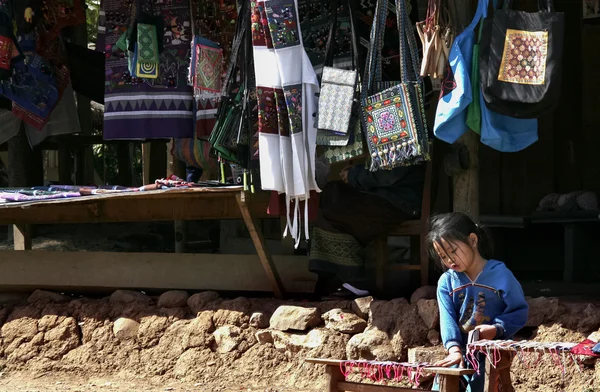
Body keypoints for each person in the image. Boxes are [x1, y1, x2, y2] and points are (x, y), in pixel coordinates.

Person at [427, 212, 529, 392]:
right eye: (443, 256)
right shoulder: (446, 282)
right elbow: (447, 318)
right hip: (461, 351)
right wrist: (454, 350)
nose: (449, 260)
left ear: (473, 241)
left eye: (453, 251)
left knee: (478, 387)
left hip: (495, 351)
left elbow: (519, 311)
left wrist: (497, 329)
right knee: (441, 385)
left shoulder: (501, 275)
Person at [309, 161, 425, 298]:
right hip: (387, 196)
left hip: (400, 202)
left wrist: (354, 175)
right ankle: (338, 281)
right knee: (329, 198)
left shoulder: (403, 143)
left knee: (333, 198)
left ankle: (351, 280)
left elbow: (389, 173)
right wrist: (356, 171)